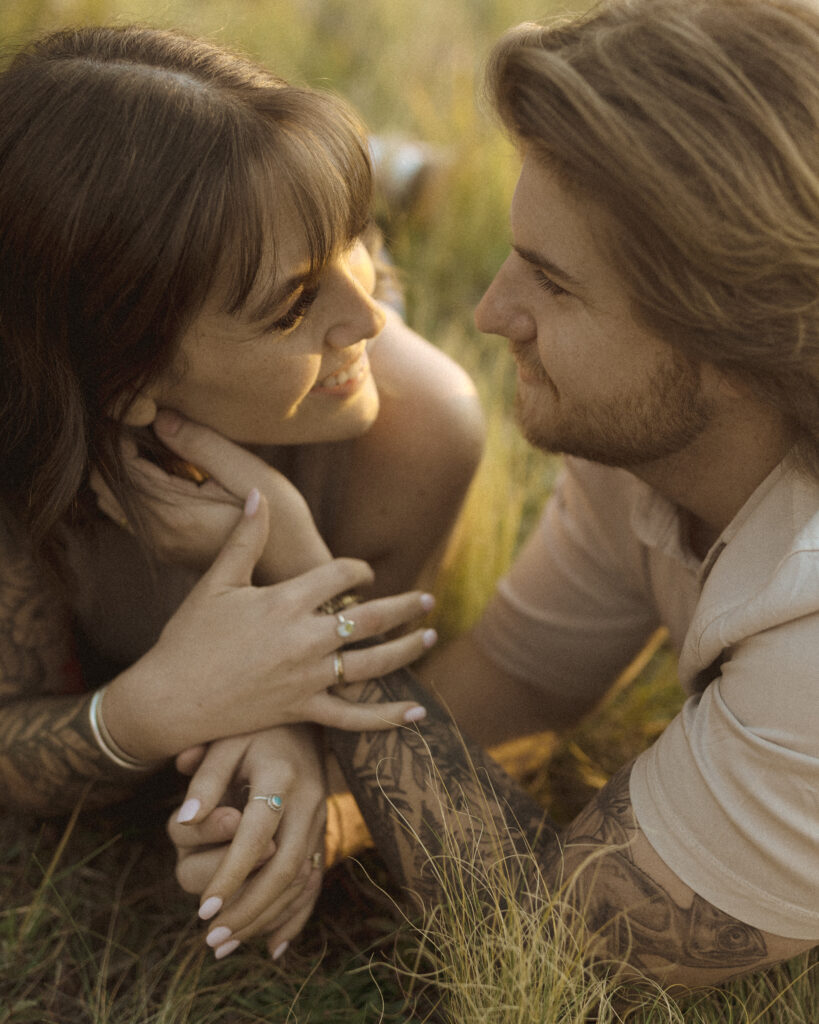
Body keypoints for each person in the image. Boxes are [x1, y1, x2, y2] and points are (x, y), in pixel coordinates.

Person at [190, 0, 819, 988]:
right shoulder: (648, 440)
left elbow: (548, 938)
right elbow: (525, 681)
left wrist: (304, 576)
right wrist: (302, 794)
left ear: (741, 342)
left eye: (553, 284)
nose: (490, 313)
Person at [0, 25, 483, 958]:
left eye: (358, 237)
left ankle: (382, 177)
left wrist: (288, 726)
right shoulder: (24, 457)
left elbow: (364, 681)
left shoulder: (420, 421)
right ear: (125, 382)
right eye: (294, 304)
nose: (368, 317)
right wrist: (147, 712)